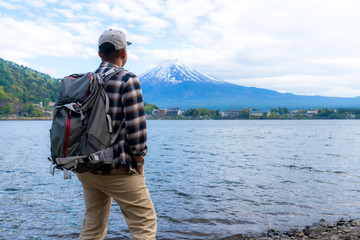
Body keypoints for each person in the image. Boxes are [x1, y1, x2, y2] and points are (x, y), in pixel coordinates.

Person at [76, 29, 157, 240]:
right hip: (117, 168)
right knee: (144, 223)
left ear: (99, 53)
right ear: (124, 53)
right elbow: (137, 129)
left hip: (86, 166)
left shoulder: (85, 81)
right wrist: (139, 161)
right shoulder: (127, 79)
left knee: (93, 224)